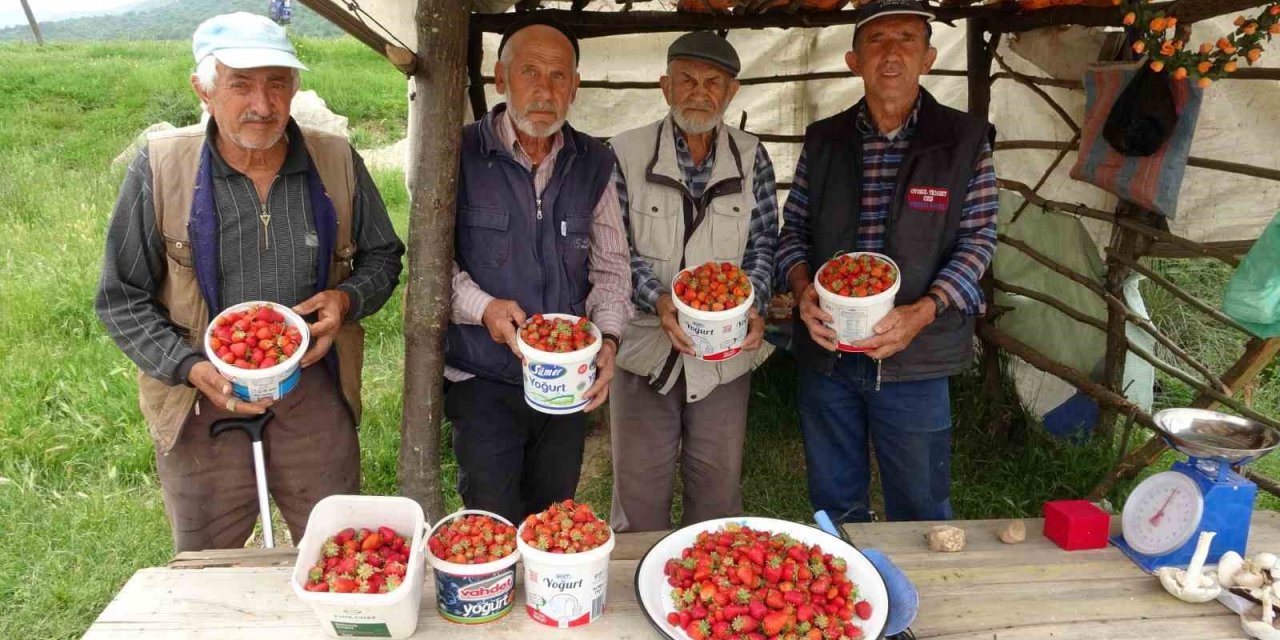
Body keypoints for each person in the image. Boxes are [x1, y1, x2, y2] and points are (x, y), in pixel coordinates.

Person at [95, 12, 405, 551]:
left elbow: (384, 256)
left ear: (295, 88)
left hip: (312, 385)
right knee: (206, 555)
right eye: (240, 85)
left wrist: (346, 299)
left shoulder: (334, 159)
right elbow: (121, 298)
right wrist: (188, 367)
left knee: (338, 544)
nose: (262, 105)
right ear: (204, 89)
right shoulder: (162, 166)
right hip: (198, 397)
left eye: (277, 84)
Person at [776, 0, 998, 524]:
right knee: (833, 501)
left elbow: (977, 241)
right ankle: (846, 595)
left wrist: (922, 312)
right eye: (876, 41)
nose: (891, 53)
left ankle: (925, 598)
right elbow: (794, 233)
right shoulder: (825, 139)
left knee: (921, 502)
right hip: (830, 349)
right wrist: (805, 289)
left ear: (929, 58)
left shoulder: (963, 141)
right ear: (854, 60)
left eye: (906, 40)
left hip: (915, 354)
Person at [444, 17, 633, 524]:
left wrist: (609, 340)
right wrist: (483, 308)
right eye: (530, 73)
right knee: (491, 516)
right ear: (501, 80)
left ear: (574, 86)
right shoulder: (458, 152)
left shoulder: (594, 161)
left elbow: (612, 267)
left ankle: (547, 603)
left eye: (558, 76)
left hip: (564, 379)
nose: (544, 90)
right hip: (483, 373)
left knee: (553, 517)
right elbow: (433, 266)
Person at [607, 32, 778, 532]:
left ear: (731, 93)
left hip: (723, 355)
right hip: (644, 346)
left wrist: (753, 303)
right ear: (665, 86)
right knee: (638, 490)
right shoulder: (624, 152)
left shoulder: (751, 157)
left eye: (713, 83)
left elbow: (764, 242)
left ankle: (711, 589)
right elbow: (613, 251)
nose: (699, 93)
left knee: (717, 485)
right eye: (686, 80)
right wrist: (659, 300)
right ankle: (638, 587)